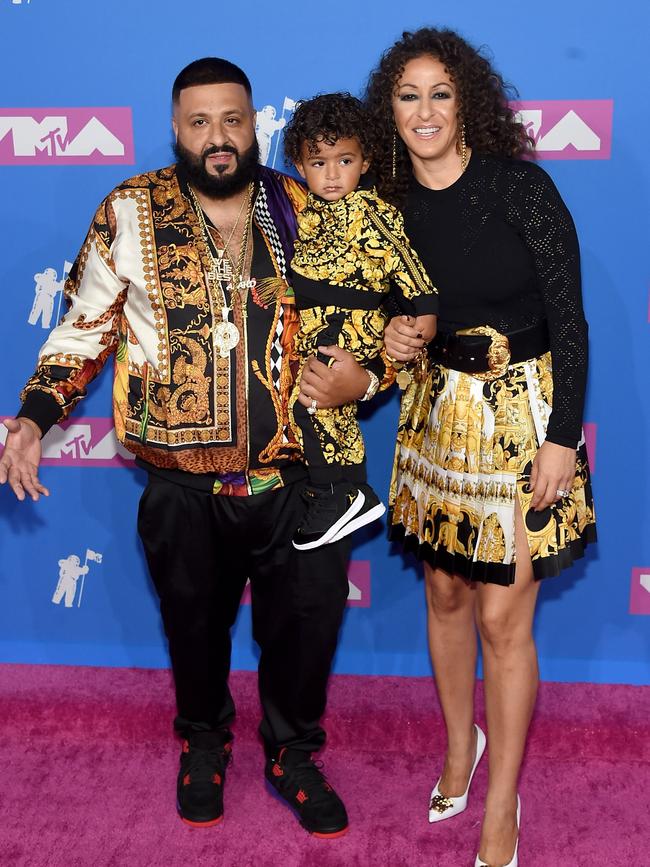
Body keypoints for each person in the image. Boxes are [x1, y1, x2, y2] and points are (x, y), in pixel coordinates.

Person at [0, 57, 381, 840]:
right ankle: (204, 742)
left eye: (233, 120)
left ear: (255, 125)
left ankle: (293, 753)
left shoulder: (308, 206)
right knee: (194, 627)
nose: (218, 137)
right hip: (180, 486)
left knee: (306, 630)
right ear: (176, 128)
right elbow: (85, 328)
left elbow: (372, 325)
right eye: (200, 122)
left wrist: (368, 375)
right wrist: (34, 418)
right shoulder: (129, 209)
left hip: (298, 477)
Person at [366, 28, 596, 867]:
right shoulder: (381, 209)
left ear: (466, 102)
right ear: (388, 111)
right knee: (445, 595)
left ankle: (503, 801)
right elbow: (380, 316)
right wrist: (390, 334)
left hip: (521, 414)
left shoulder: (520, 188)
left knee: (505, 615)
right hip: (434, 415)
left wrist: (563, 437)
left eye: (439, 93)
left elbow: (569, 321)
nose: (424, 111)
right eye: (407, 95)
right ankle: (460, 748)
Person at [282, 93, 438, 550]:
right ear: (299, 163)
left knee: (312, 403)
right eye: (319, 162)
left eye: (344, 160)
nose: (332, 175)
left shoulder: (374, 212)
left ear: (365, 160)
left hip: (355, 329)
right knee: (314, 408)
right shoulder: (306, 216)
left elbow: (411, 271)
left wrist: (421, 321)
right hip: (317, 330)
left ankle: (343, 492)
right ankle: (341, 492)